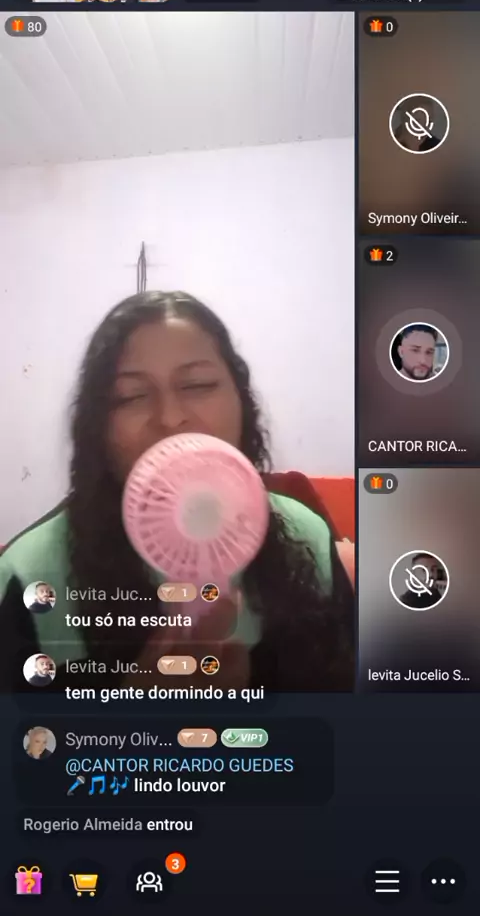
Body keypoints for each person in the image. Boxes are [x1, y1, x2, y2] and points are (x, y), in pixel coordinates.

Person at [0, 292, 354, 692]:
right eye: (132, 396)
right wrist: (134, 711)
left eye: (198, 385)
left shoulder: (307, 536)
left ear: (242, 400)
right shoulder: (28, 574)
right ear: (97, 426)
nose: (170, 418)